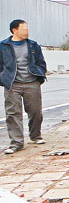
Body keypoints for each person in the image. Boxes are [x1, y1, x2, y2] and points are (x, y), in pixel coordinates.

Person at [0, 19, 47, 154]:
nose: (27, 31)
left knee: (35, 111)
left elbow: (41, 62)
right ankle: (16, 143)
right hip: (12, 84)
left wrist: (39, 76)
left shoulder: (33, 45)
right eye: (24, 29)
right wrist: (3, 79)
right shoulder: (3, 46)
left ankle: (35, 136)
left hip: (32, 82)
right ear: (15, 30)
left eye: (27, 29)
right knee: (13, 114)